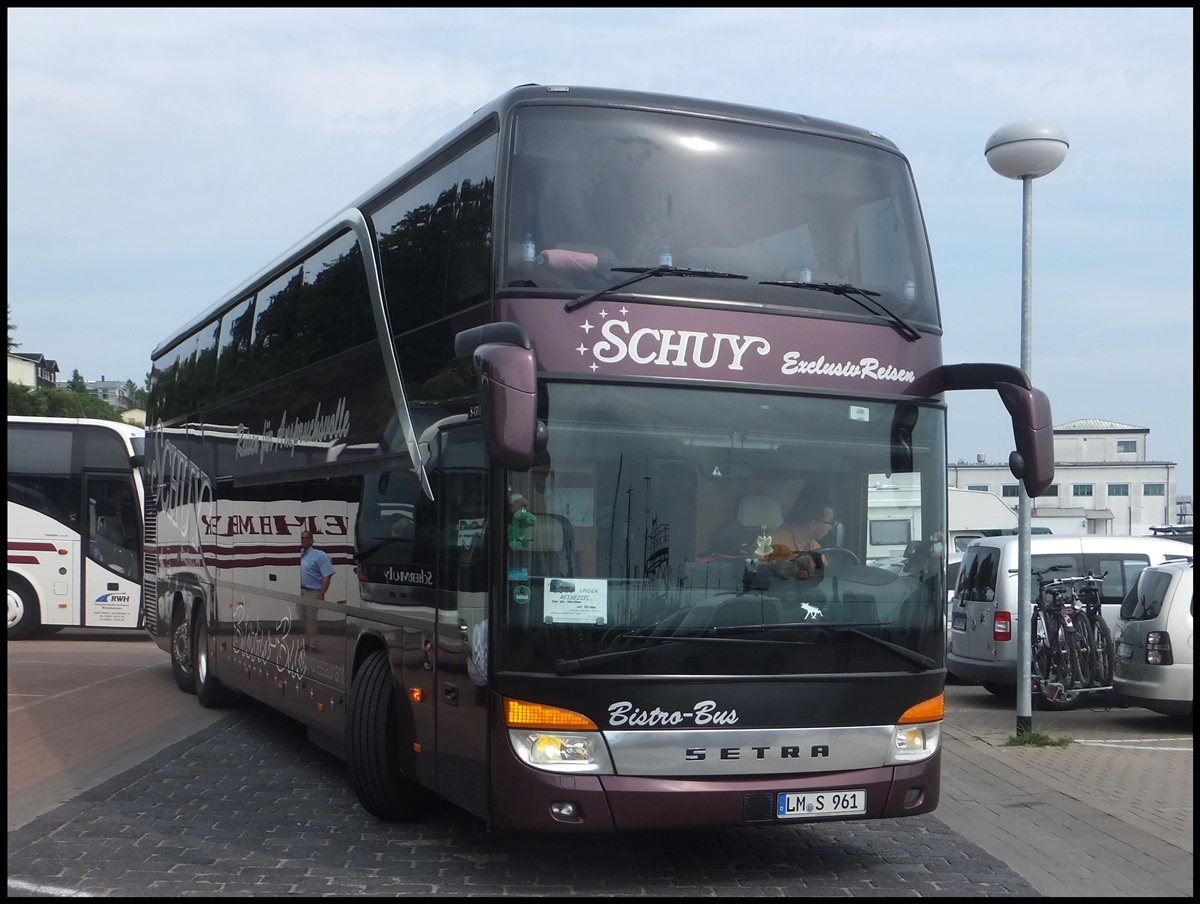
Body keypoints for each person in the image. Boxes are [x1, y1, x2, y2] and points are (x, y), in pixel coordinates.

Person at [759, 494, 835, 578]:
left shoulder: (817, 548)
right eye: (829, 522)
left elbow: (825, 578)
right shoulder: (769, 542)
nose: (831, 528)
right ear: (813, 524)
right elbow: (758, 577)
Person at [300, 530, 335, 601]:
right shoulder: (299, 555)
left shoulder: (320, 555)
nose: (304, 540)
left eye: (306, 538)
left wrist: (321, 594)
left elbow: (327, 576)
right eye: (302, 538)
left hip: (313, 592)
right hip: (300, 591)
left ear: (312, 541)